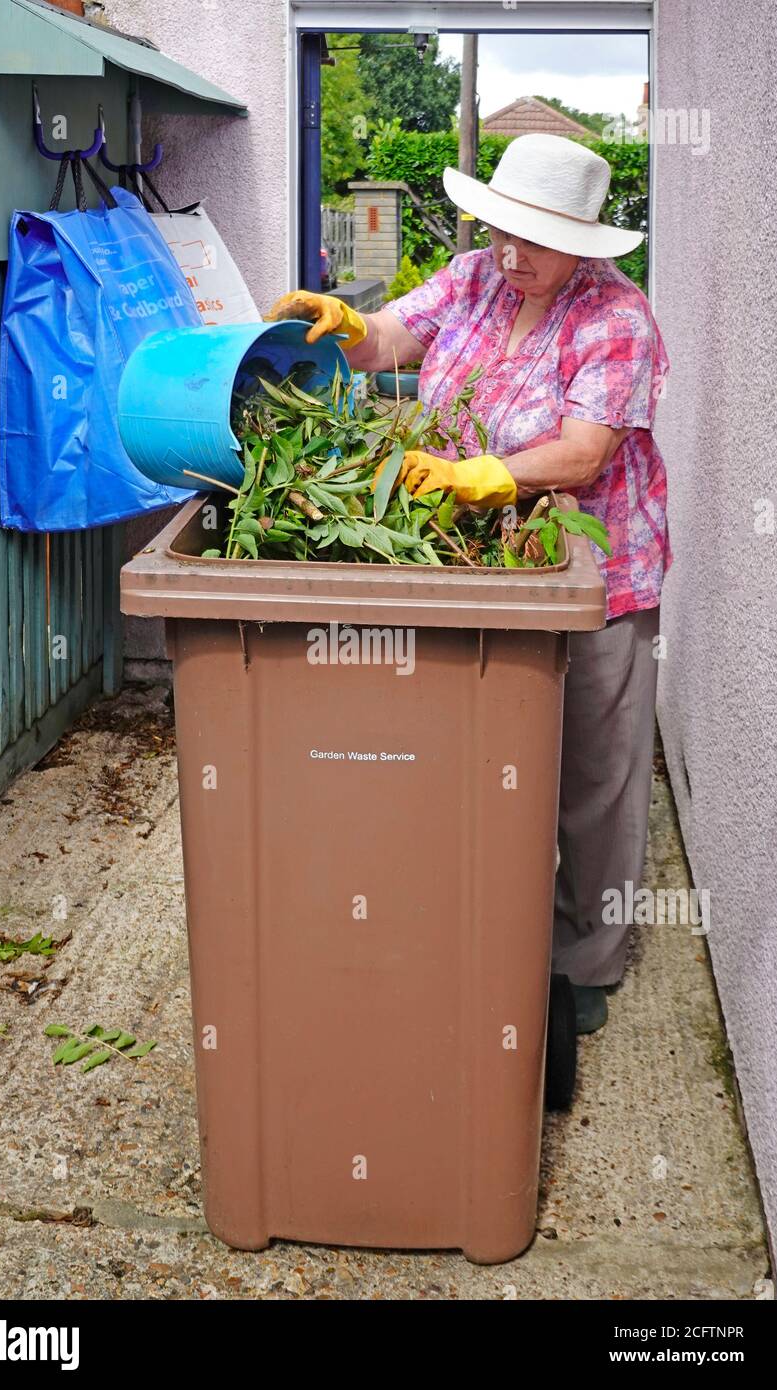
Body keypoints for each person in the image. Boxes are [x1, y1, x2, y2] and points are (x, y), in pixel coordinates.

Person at [268, 133, 670, 1034]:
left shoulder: (618, 320)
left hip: (593, 570)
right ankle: (480, 918)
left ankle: (586, 963)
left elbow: (584, 450)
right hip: (476, 562)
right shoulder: (477, 277)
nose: (511, 253)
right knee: (491, 748)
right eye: (501, 230)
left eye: (533, 238)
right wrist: (342, 322)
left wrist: (488, 472)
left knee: (594, 773)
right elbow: (389, 341)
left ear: (583, 240)